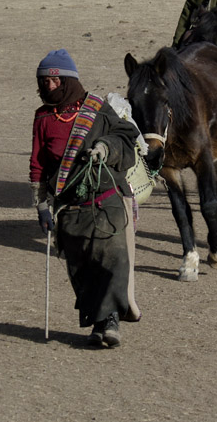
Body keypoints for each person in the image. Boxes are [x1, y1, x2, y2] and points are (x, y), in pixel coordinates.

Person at [29, 49, 142, 348]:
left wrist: (106, 147)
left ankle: (111, 323)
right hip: (70, 208)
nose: (48, 86)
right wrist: (41, 205)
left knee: (112, 260)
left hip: (106, 203)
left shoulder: (97, 109)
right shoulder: (42, 119)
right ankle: (97, 322)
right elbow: (38, 165)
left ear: (67, 80)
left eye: (54, 81)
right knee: (81, 268)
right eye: (44, 82)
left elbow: (127, 139)